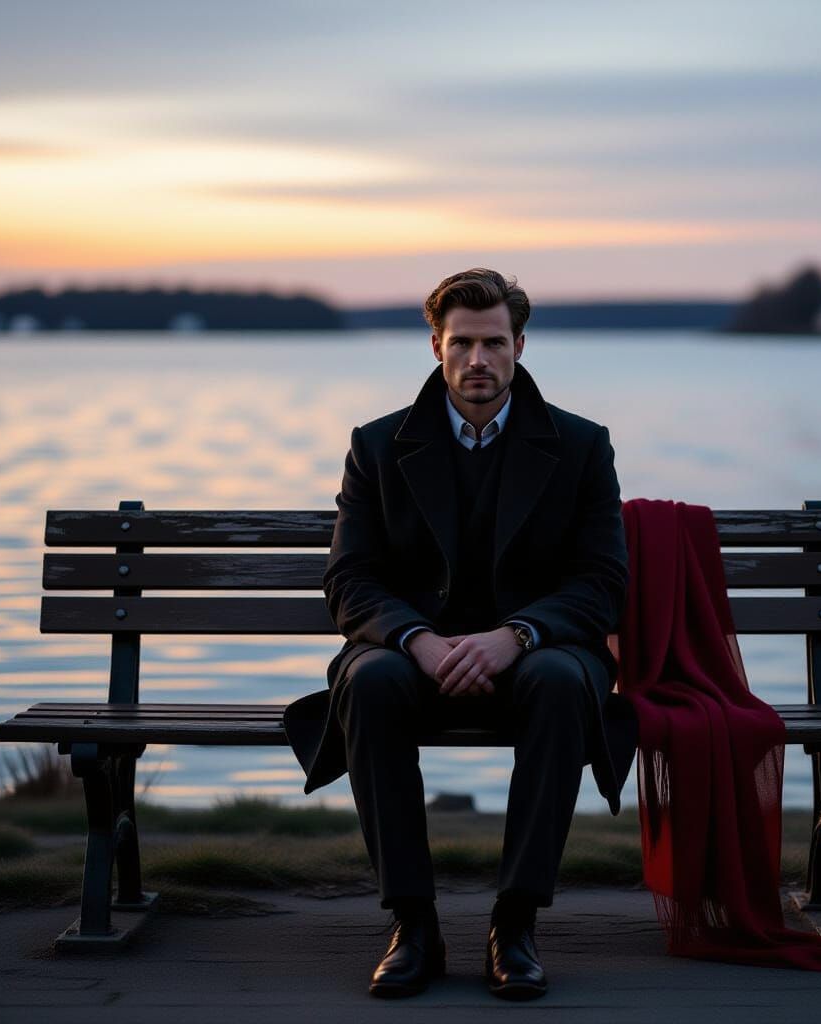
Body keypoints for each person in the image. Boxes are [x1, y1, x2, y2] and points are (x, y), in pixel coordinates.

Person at [283, 268, 630, 1000]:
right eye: (462, 342)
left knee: (566, 681)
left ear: (520, 346)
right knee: (369, 682)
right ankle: (413, 925)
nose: (479, 360)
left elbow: (602, 583)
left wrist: (519, 635)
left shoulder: (580, 445)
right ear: (436, 345)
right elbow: (350, 580)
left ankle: (516, 924)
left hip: (539, 656)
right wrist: (418, 640)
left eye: (494, 343)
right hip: (411, 657)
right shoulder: (377, 447)